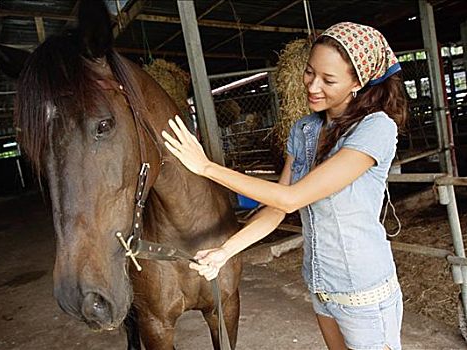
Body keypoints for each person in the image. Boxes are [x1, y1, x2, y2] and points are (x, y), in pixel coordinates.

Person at [162, 22, 407, 350]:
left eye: (328, 80)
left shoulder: (376, 128)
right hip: (321, 286)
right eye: (309, 72)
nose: (313, 86)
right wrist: (225, 252)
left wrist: (206, 168)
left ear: (357, 83)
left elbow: (292, 198)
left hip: (362, 290)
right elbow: (276, 208)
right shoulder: (305, 130)